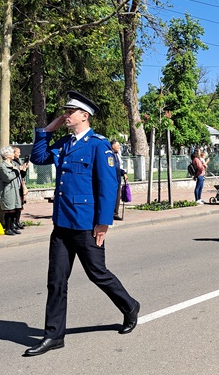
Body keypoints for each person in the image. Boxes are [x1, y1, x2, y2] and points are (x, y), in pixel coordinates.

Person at [26, 90, 139, 357]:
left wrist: (103, 223)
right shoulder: (65, 143)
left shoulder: (98, 145)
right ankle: (53, 336)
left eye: (69, 112)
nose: (65, 115)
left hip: (87, 225)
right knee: (56, 281)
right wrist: (47, 128)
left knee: (97, 273)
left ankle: (130, 306)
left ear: (84, 116)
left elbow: (108, 187)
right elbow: (38, 158)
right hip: (62, 224)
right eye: (65, 111)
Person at [0, 145, 24, 235]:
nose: (14, 154)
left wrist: (21, 170)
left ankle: (12, 227)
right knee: (9, 210)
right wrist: (17, 171)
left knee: (15, 209)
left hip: (15, 189)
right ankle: (8, 228)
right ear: (7, 154)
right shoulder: (2, 166)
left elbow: (19, 175)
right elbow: (8, 177)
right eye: (12, 152)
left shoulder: (13, 164)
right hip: (8, 191)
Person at [10, 146, 29, 230]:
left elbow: (22, 174)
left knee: (20, 204)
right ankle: (12, 222)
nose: (19, 154)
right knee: (15, 205)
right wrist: (19, 169)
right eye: (18, 152)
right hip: (15, 185)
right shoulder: (11, 162)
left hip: (20, 184)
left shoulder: (19, 161)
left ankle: (17, 221)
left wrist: (24, 169)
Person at [112, 141, 128, 220]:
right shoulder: (109, 155)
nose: (119, 147)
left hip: (117, 178)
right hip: (110, 179)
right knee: (110, 196)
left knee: (117, 196)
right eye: (117, 145)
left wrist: (124, 173)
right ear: (112, 146)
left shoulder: (117, 155)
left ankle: (115, 213)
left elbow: (119, 167)